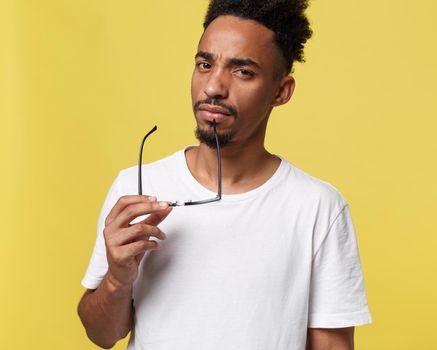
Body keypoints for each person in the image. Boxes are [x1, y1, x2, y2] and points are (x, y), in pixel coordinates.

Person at [77, 1, 372, 349]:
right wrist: (116, 279)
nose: (214, 87)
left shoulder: (317, 207)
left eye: (242, 71)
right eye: (205, 64)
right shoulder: (137, 188)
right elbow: (101, 335)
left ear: (281, 91)